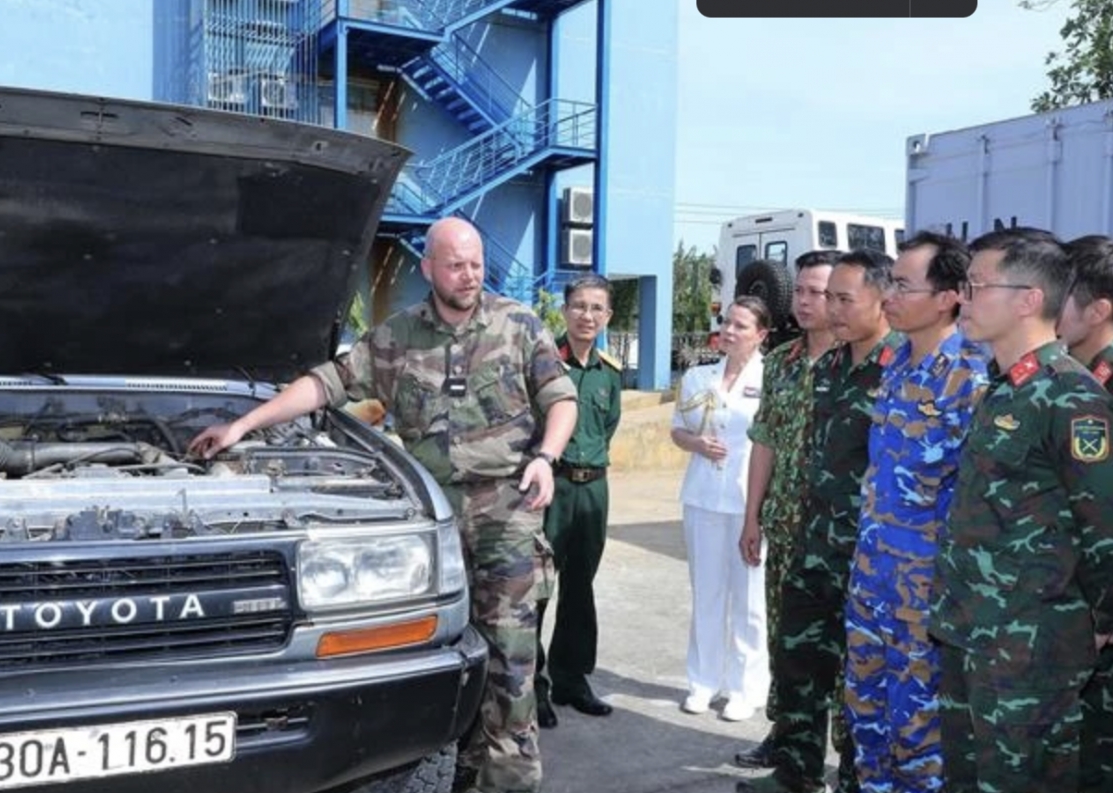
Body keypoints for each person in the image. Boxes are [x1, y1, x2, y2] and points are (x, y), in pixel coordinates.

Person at [188, 216, 579, 793]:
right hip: (428, 526)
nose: (469, 275)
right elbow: (325, 384)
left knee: (510, 668)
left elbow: (561, 398)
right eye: (455, 264)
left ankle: (511, 783)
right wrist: (242, 425)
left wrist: (546, 455)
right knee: (439, 664)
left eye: (475, 263)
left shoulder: (518, 325)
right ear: (428, 268)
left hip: (506, 516)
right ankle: (459, 774)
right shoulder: (396, 337)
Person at [929, 228, 1113, 793]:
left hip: (1032, 648)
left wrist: (1096, 623)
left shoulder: (1075, 398)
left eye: (976, 285)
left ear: (1028, 300)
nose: (963, 299)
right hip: (969, 631)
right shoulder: (1005, 390)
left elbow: (1110, 532)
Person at [738, 248, 900, 793]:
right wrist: (755, 514)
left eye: (839, 297)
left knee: (860, 678)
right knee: (799, 659)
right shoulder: (825, 367)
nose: (827, 307)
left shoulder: (904, 368)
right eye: (819, 296)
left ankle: (853, 776)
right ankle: (796, 770)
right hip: (809, 540)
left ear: (882, 299)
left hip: (871, 554)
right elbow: (778, 444)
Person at [843, 232, 988, 793]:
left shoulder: (972, 380)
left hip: (925, 597)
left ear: (949, 296)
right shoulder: (897, 363)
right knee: (867, 718)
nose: (890, 297)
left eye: (903, 285)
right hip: (872, 582)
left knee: (922, 735)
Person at [735, 249, 841, 769]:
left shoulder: (860, 365)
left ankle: (846, 755)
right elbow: (764, 443)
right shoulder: (781, 362)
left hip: (843, 539)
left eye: (817, 292)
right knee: (785, 641)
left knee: (842, 654)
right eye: (799, 290)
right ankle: (788, 737)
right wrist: (752, 516)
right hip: (786, 527)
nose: (804, 301)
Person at [1052, 234, 1113, 793]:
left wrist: (1104, 614)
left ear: (1100, 310)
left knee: (1102, 749)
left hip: (1107, 608)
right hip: (1063, 597)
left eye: (1064, 293)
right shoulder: (1059, 379)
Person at [670, 295, 772, 721]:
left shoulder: (771, 378)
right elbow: (678, 430)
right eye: (727, 322)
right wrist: (696, 443)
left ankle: (745, 688)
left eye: (741, 326)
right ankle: (703, 681)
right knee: (707, 592)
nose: (730, 331)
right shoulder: (698, 376)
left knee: (749, 599)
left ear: (761, 334)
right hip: (702, 496)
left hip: (748, 501)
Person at [534, 274, 622, 727]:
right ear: (565, 311)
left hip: (594, 489)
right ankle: (533, 685)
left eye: (597, 308)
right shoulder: (545, 364)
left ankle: (572, 679)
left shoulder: (610, 372)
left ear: (608, 317)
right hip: (553, 486)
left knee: (580, 586)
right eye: (579, 306)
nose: (587, 315)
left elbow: (606, 427)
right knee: (538, 588)